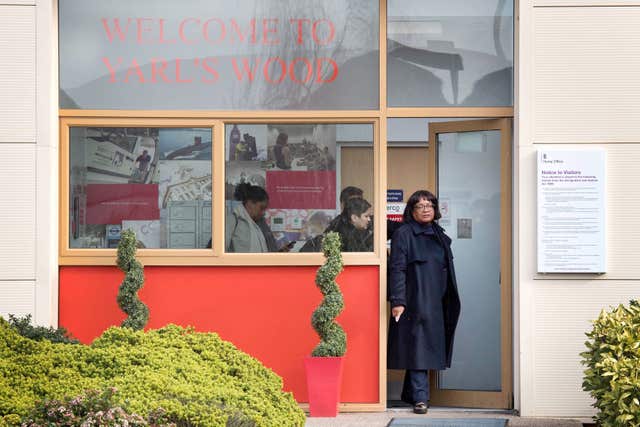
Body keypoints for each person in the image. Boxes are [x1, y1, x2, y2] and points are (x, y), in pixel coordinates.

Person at [387, 190, 461, 415]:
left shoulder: (438, 232)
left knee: (424, 346)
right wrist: (398, 300)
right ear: (412, 210)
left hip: (438, 300)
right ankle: (421, 398)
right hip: (415, 299)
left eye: (430, 205)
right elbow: (397, 268)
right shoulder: (405, 233)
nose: (426, 209)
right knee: (419, 347)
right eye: (420, 206)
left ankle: (409, 394)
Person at [225, 183, 289, 253]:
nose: (263, 213)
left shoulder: (259, 224)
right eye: (261, 208)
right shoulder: (232, 219)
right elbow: (219, 254)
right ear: (250, 203)